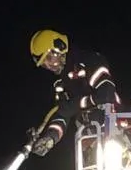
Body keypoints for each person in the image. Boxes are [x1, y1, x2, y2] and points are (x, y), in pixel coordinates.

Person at [24, 29, 119, 157]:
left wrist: (75, 105)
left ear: (59, 47)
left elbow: (106, 93)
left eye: (49, 58)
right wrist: (50, 138)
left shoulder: (89, 61)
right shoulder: (60, 84)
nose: (48, 65)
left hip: (115, 127)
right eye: (44, 65)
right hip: (90, 139)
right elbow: (63, 113)